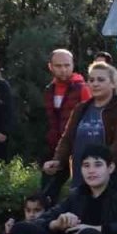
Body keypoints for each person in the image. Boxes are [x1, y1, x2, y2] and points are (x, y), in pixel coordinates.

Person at [43, 61, 117, 192]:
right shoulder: (81, 108)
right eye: (91, 80)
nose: (95, 84)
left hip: (108, 182)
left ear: (113, 83)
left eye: (101, 80)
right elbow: (67, 139)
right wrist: (58, 160)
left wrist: (102, 166)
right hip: (80, 181)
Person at [41, 50, 91, 199]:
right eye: (58, 66)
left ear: (73, 65)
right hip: (55, 147)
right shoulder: (49, 89)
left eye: (66, 65)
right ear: (50, 67)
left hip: (77, 147)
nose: (63, 69)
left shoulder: (82, 88)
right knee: (47, 192)